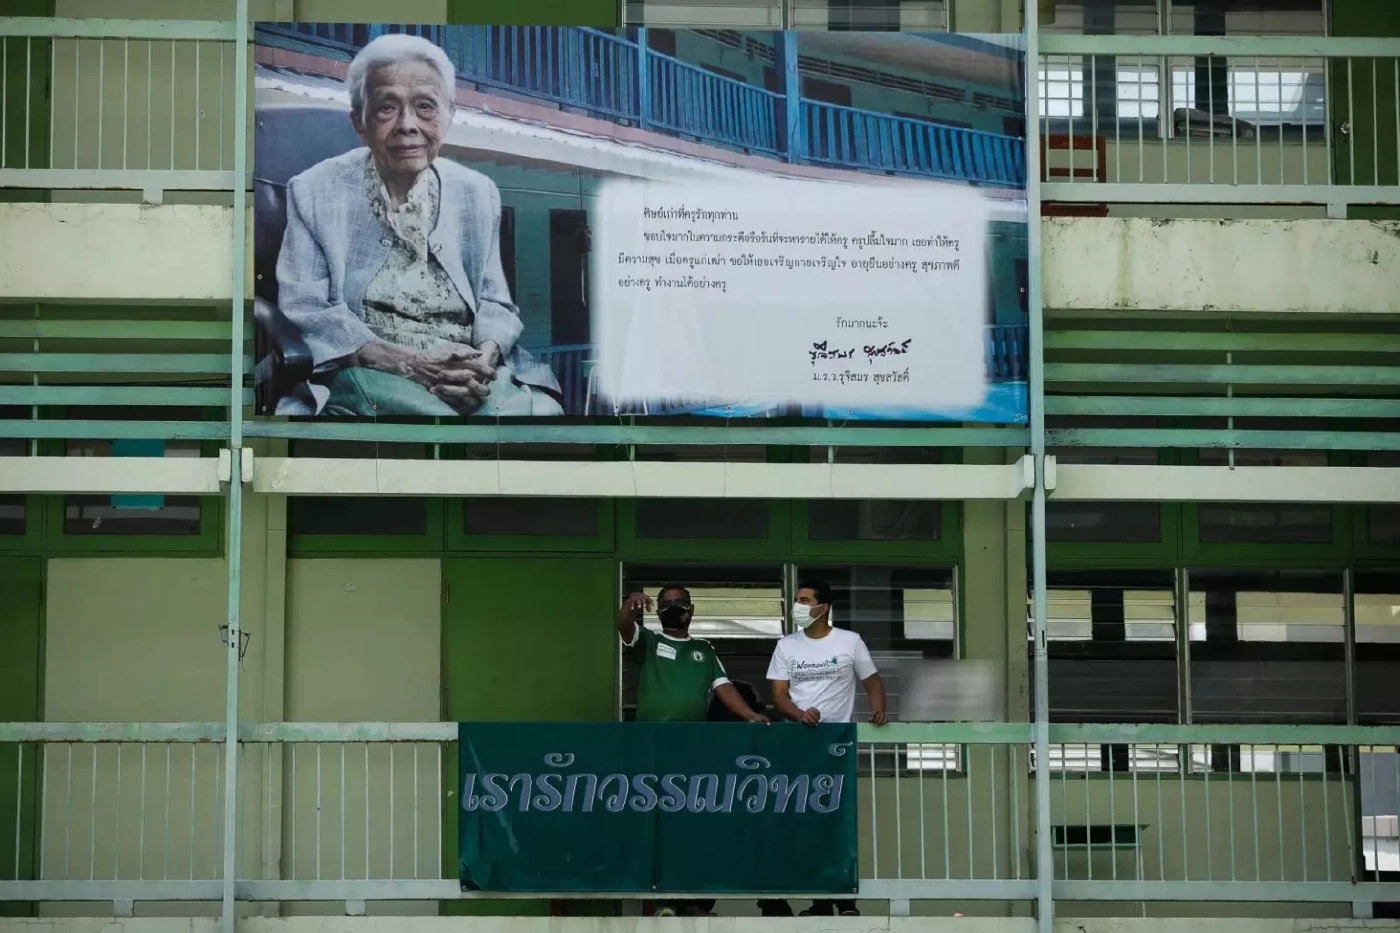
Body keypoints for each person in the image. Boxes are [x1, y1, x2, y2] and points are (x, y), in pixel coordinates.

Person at [268, 33, 562, 417]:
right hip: (371, 366)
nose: (407, 125)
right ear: (359, 121)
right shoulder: (314, 191)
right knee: (433, 422)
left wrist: (483, 360)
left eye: (425, 107)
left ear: (449, 117)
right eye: (386, 108)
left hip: (467, 367)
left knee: (537, 417)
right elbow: (307, 307)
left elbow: (495, 302)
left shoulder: (477, 192)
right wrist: (412, 364)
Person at [618, 586, 768, 917]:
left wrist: (751, 716)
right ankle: (662, 898)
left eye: (678, 603)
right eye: (665, 604)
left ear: (691, 608)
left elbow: (723, 689)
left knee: (687, 821)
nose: (672, 608)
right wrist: (630, 604)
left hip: (691, 748)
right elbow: (623, 626)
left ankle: (690, 897)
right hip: (651, 747)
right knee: (653, 822)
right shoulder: (650, 643)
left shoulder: (704, 650)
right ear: (657, 611)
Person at [764, 579, 887, 918]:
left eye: (805, 600)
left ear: (824, 607)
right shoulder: (787, 646)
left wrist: (879, 709)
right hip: (797, 746)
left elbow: (872, 681)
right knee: (803, 822)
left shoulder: (849, 641)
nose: (798, 605)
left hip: (836, 749)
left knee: (836, 823)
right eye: (797, 600)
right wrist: (800, 715)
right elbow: (778, 695)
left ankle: (844, 901)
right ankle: (817, 901)